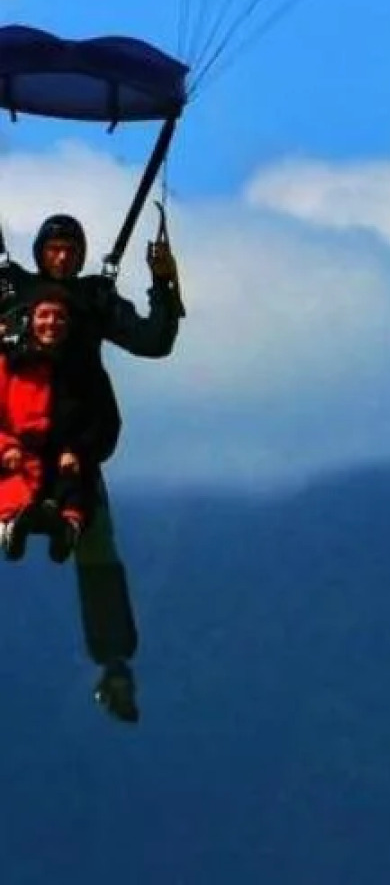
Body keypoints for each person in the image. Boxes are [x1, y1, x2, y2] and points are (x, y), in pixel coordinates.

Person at [0, 213, 183, 723]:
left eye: (70, 250)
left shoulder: (94, 300)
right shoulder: (8, 289)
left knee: (98, 546)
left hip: (74, 446)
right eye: (54, 249)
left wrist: (165, 284)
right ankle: (21, 521)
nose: (62, 258)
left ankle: (114, 662)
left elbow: (154, 341)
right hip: (12, 440)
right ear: (40, 252)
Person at [0, 288, 120, 564]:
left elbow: (105, 422)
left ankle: (67, 529)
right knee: (11, 486)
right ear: (30, 320)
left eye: (59, 317)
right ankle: (13, 525)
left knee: (74, 491)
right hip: (15, 459)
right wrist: (6, 449)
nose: (51, 323)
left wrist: (77, 451)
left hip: (66, 462)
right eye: (44, 316)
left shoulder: (86, 373)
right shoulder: (10, 364)